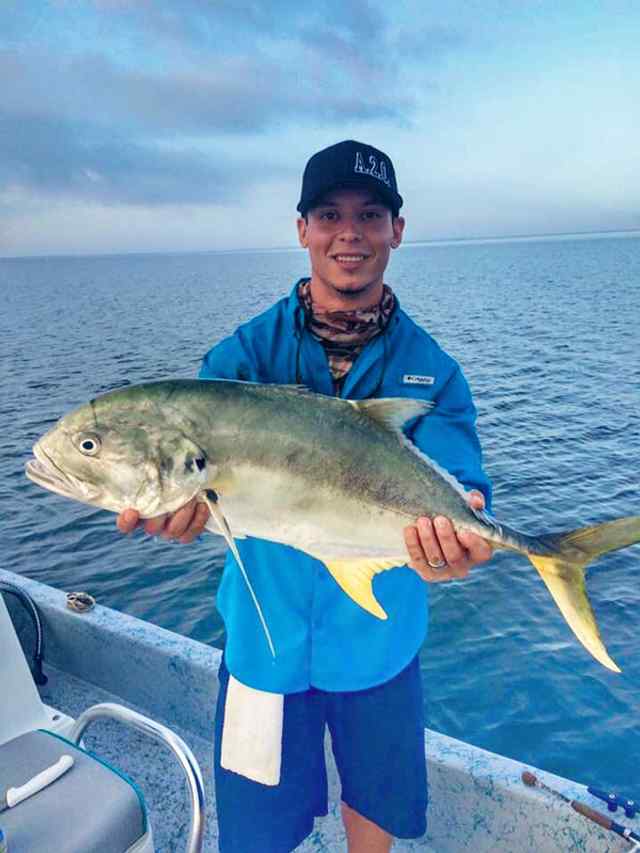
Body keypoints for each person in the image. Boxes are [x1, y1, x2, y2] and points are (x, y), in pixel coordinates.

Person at [117, 140, 493, 853]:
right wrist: (180, 512)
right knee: (257, 833)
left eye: (370, 215)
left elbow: (461, 482)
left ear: (397, 230)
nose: (349, 232)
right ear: (302, 229)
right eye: (329, 214)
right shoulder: (244, 358)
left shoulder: (431, 372)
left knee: (376, 807)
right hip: (265, 641)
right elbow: (193, 468)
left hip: (380, 641)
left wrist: (460, 537)